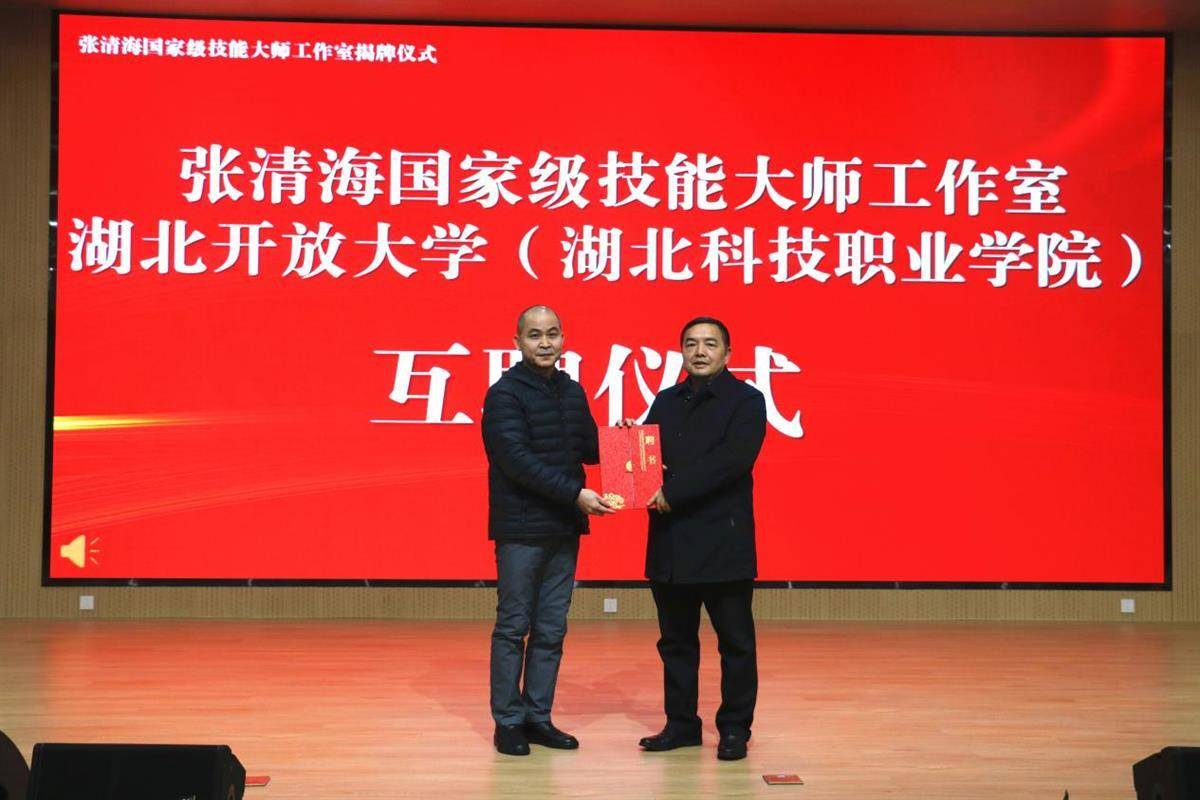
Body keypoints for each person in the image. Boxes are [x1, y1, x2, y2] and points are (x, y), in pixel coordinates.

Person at [481, 305, 613, 757]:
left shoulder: (571, 391)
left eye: (552, 334)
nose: (545, 343)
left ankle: (538, 717)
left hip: (562, 526)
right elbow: (516, 462)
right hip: (521, 529)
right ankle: (508, 722)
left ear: (563, 339)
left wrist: (625, 441)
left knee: (552, 628)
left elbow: (589, 448)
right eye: (535, 335)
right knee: (513, 626)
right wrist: (575, 493)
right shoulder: (504, 395)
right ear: (517, 341)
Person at [634, 316, 767, 761]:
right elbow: (648, 459)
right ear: (682, 352)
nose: (700, 351)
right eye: (691, 344)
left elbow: (732, 461)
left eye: (710, 344)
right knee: (675, 642)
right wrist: (629, 442)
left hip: (723, 543)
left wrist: (674, 491)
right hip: (671, 542)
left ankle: (734, 729)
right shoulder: (665, 400)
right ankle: (681, 725)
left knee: (735, 643)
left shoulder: (747, 401)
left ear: (728, 353)